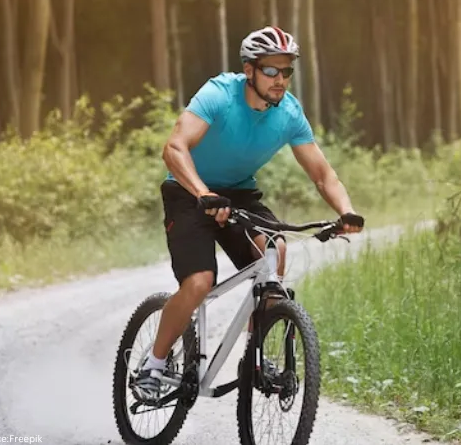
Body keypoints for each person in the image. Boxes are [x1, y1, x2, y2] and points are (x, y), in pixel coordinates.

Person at [130, 26, 365, 402]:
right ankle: (154, 365)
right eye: (271, 71)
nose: (280, 80)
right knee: (199, 281)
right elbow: (174, 148)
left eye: (286, 71)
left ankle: (255, 357)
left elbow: (322, 174)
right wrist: (204, 193)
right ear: (249, 70)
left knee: (275, 252)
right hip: (188, 190)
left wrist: (346, 211)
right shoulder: (219, 95)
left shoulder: (288, 113)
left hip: (238, 193)